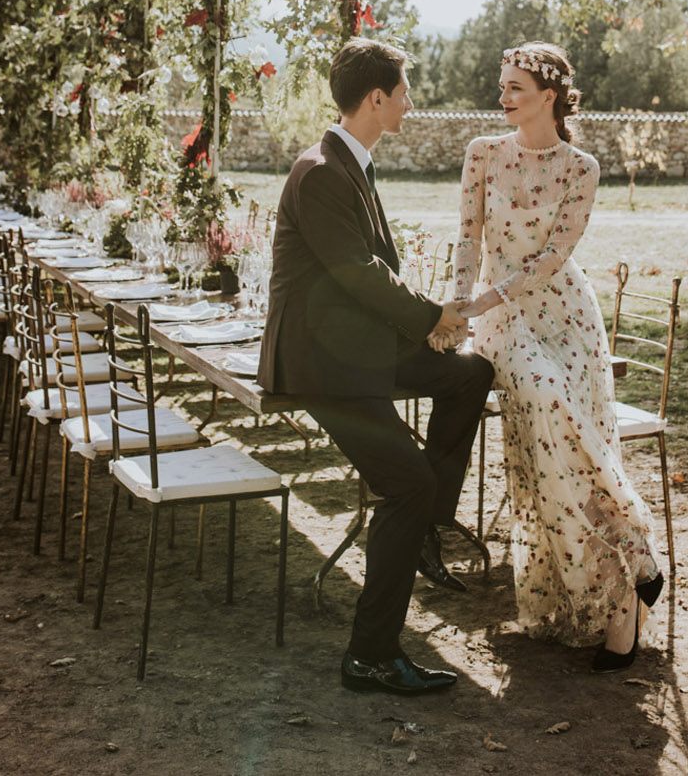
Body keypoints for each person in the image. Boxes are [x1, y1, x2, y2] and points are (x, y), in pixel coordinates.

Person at [257, 38, 494, 696]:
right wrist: (431, 319)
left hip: (354, 345)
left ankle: (425, 531)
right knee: (406, 486)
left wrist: (430, 337)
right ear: (376, 98)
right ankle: (370, 655)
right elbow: (357, 275)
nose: (412, 103)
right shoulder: (323, 170)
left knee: (469, 374)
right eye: (406, 91)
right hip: (321, 364)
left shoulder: (347, 161)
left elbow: (371, 275)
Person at [452, 42, 663, 671]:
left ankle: (623, 603)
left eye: (515, 86)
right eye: (502, 85)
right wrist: (458, 309)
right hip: (502, 323)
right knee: (551, 417)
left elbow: (551, 261)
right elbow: (467, 238)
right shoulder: (482, 154)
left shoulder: (582, 167)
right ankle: (635, 559)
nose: (504, 96)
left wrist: (484, 298)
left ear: (549, 95)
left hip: (566, 317)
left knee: (570, 442)